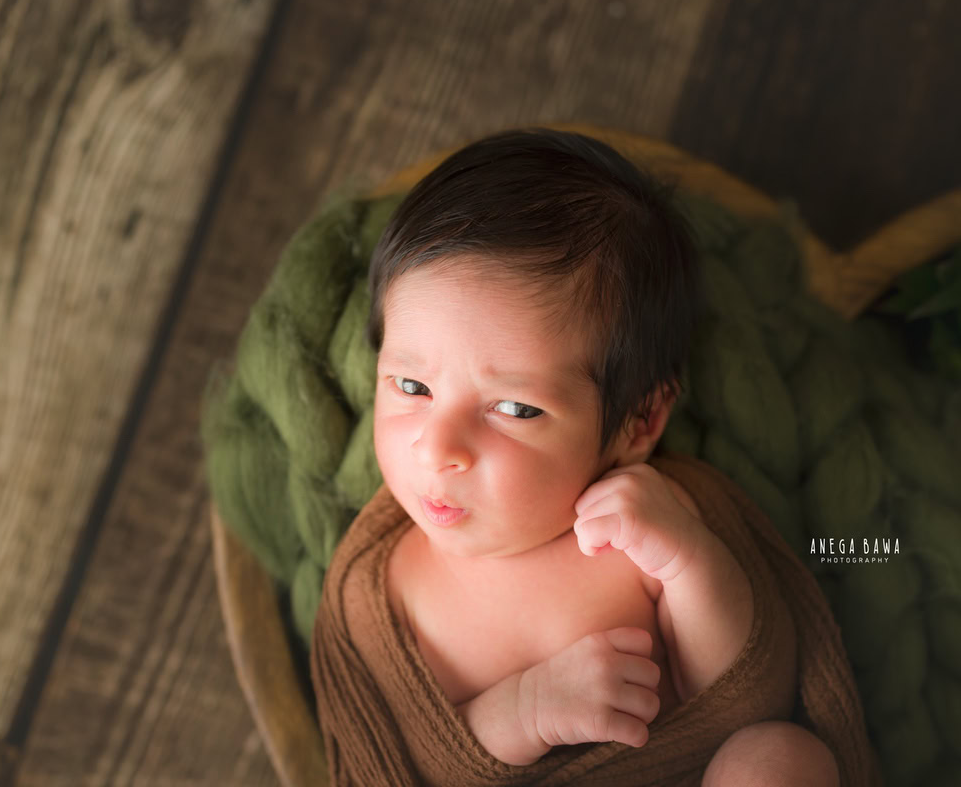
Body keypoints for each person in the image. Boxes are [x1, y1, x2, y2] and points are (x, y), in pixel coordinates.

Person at [343, 127, 839, 786]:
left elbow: (745, 696)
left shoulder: (648, 527)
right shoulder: (386, 590)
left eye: (515, 409)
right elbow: (402, 766)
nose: (438, 448)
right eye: (412, 387)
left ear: (639, 423)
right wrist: (522, 714)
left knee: (780, 757)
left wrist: (687, 559)